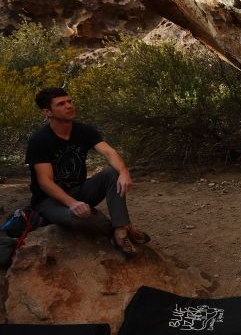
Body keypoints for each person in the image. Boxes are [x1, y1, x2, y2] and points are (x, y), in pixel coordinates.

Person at [25, 87, 150, 257]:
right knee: (80, 218)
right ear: (47, 112)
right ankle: (121, 229)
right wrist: (72, 203)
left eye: (69, 101)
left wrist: (124, 172)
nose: (68, 106)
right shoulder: (39, 140)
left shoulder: (83, 130)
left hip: (79, 190)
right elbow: (45, 183)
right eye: (61, 104)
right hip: (49, 201)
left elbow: (109, 152)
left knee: (112, 173)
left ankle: (121, 229)